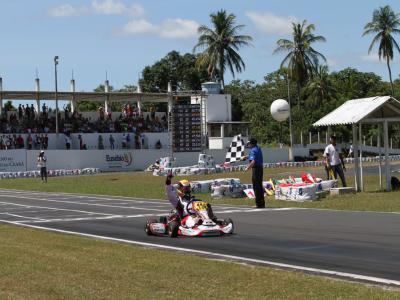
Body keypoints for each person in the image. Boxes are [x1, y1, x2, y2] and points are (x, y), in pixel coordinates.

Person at [244, 138, 265, 208]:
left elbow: (253, 162)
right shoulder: (258, 148)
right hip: (260, 169)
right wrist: (246, 157)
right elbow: (253, 156)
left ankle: (258, 204)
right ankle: (261, 203)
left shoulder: (253, 150)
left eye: (249, 143)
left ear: (252, 143)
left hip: (256, 169)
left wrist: (247, 168)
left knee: (256, 187)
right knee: (259, 186)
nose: (248, 145)